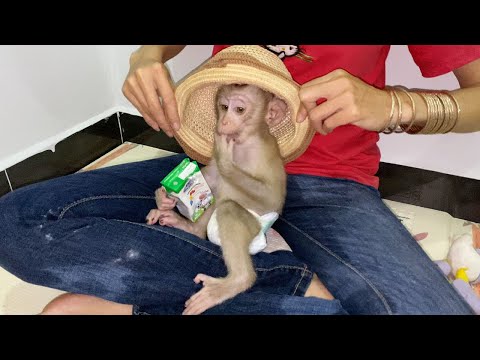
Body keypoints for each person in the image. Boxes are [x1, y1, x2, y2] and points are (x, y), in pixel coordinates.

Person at [1, 45, 480, 315]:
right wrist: (145, 57)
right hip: (217, 170)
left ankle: (159, 300)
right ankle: (285, 283)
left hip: (329, 186)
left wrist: (396, 104)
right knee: (14, 224)